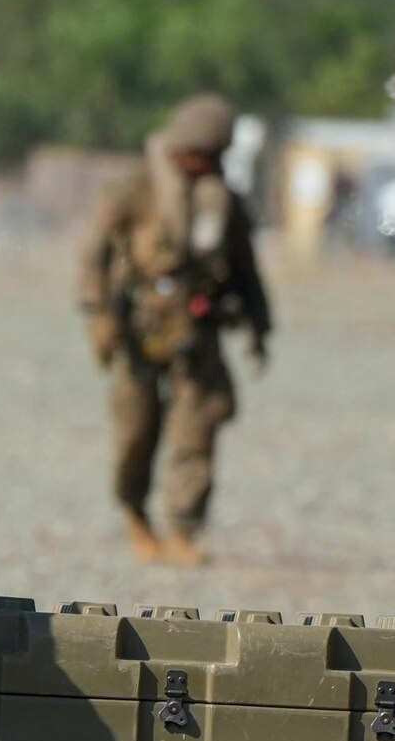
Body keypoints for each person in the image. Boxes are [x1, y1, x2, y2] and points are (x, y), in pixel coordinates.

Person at [79, 92, 269, 565]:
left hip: (197, 331)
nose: (205, 165)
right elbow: (93, 254)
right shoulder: (136, 188)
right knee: (135, 428)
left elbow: (247, 271)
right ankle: (135, 518)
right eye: (198, 154)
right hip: (139, 331)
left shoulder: (224, 202)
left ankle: (183, 528)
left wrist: (259, 327)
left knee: (198, 428)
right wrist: (99, 312)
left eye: (214, 157)